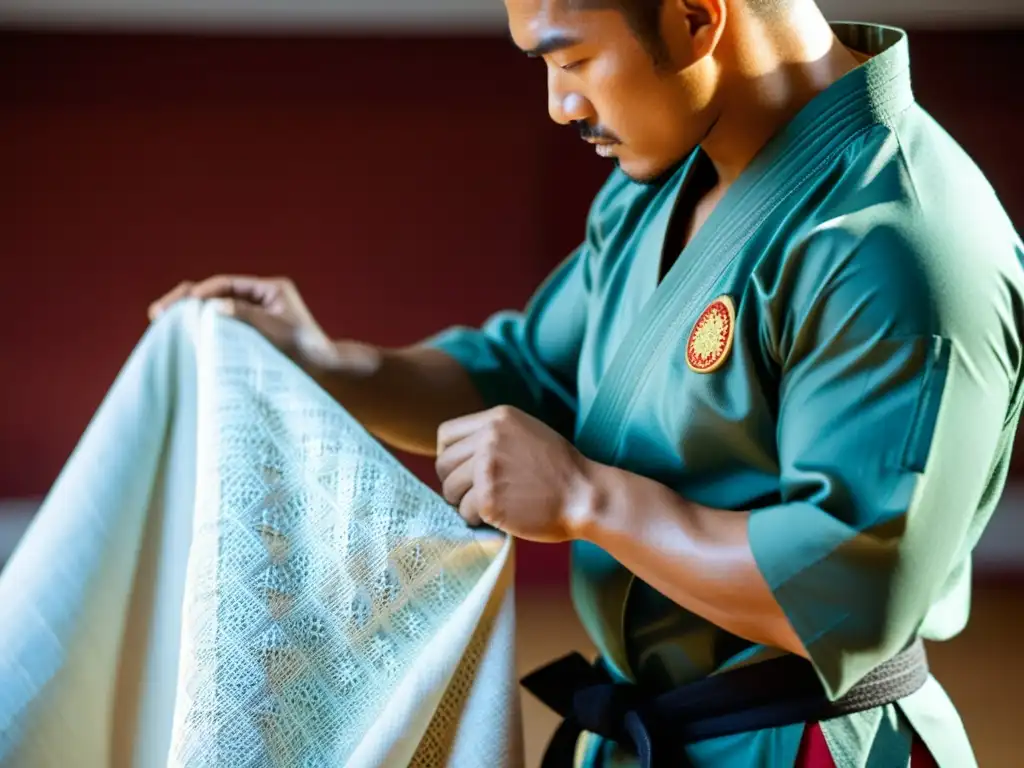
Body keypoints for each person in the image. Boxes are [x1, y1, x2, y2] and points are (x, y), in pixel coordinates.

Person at [149, 0, 1024, 765]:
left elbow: (846, 598)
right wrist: (323, 362)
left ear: (694, 17)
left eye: (570, 59)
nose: (561, 103)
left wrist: (586, 501)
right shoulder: (664, 178)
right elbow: (527, 375)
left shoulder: (899, 244)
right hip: (653, 730)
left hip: (801, 745)